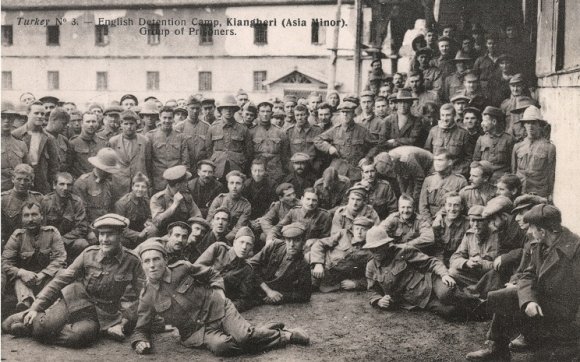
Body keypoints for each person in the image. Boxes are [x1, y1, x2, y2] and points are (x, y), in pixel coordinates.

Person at [131, 239, 309, 357]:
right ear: (142, 265)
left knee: (244, 338)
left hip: (219, 308)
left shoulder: (183, 268)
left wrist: (219, 292)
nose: (152, 265)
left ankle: (286, 336)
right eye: (147, 261)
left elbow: (212, 274)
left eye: (156, 259)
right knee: (223, 347)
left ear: (165, 259)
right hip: (197, 331)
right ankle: (260, 331)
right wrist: (140, 341)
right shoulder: (147, 296)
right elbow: (141, 327)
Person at [2, 214, 144, 346]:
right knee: (40, 326)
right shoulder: (89, 254)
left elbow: (144, 296)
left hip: (102, 314)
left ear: (121, 234)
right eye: (102, 234)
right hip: (75, 299)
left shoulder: (132, 261)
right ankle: (32, 321)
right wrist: (35, 307)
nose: (104, 239)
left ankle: (32, 329)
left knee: (77, 337)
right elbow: (61, 280)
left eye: (110, 234)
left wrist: (124, 322)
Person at [466, 205, 579, 361]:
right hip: (542, 304)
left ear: (542, 231)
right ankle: (497, 350)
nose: (528, 232)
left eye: (531, 228)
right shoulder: (539, 243)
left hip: (566, 315)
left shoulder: (575, 251)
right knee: (504, 296)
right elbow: (528, 274)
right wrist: (528, 300)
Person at [364, 226, 468, 320]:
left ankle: (478, 302)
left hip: (430, 283)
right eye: (372, 249)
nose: (376, 252)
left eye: (379, 247)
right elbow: (371, 290)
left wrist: (444, 274)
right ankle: (476, 313)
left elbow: (431, 262)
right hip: (417, 299)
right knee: (450, 312)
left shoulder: (402, 251)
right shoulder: (371, 266)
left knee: (446, 293)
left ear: (386, 245)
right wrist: (378, 300)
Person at [2, 202, 66, 310]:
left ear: (41, 216)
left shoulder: (52, 232)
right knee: (17, 279)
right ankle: (25, 306)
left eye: (34, 214)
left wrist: (43, 274)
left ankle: (48, 305)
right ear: (22, 218)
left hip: (47, 278)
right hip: (25, 281)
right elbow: (5, 262)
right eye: (26, 215)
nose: (30, 219)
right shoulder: (17, 236)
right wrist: (21, 272)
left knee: (61, 272)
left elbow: (60, 259)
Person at [195, 227, 258, 312]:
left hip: (214, 304)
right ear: (234, 242)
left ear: (252, 248)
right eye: (241, 242)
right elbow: (196, 268)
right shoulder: (219, 248)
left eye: (248, 244)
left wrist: (224, 307)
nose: (244, 247)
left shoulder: (247, 269)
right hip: (196, 292)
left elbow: (244, 300)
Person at [315, 101, 377, 183]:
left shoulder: (362, 130)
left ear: (353, 114)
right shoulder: (335, 130)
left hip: (356, 170)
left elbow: (376, 145)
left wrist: (367, 158)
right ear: (340, 114)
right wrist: (329, 148)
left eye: (348, 112)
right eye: (342, 112)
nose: (345, 115)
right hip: (338, 170)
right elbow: (317, 139)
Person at [251, 223, 312, 305]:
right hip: (253, 283)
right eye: (288, 240)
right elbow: (251, 265)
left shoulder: (303, 265)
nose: (292, 244)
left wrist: (279, 296)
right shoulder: (275, 245)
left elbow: (305, 295)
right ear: (284, 240)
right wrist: (268, 291)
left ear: (303, 242)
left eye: (297, 240)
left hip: (264, 293)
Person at [310, 216, 374, 292]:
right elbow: (320, 243)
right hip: (318, 266)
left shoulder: (370, 251)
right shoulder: (343, 234)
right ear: (352, 230)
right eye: (357, 229)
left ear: (370, 231)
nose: (359, 232)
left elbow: (373, 276)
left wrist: (355, 284)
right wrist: (318, 263)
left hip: (333, 280)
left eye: (364, 230)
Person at [41, 172, 91, 263]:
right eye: (61, 184)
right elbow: (41, 226)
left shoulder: (76, 202)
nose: (65, 188)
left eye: (69, 185)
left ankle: (73, 264)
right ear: (54, 185)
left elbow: (81, 228)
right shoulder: (45, 202)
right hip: (49, 243)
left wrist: (62, 240)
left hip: (67, 242)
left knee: (82, 244)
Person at [11, 101, 59, 194]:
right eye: (36, 113)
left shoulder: (49, 138)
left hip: (42, 185)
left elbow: (54, 166)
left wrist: (51, 186)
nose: (40, 116)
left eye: (42, 114)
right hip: (21, 184)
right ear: (28, 114)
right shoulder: (16, 135)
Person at [449, 205, 499, 289]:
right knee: (452, 271)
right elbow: (454, 258)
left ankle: (476, 290)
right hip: (474, 276)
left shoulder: (496, 235)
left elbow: (501, 264)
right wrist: (466, 263)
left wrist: (482, 263)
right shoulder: (469, 235)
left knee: (496, 275)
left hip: (490, 275)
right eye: (473, 220)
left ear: (488, 221)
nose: (475, 225)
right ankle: (479, 288)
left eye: (480, 221)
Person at [511, 105, 556, 198]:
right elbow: (514, 171)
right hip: (520, 191)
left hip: (539, 193)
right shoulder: (517, 146)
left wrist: (550, 194)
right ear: (524, 125)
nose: (530, 126)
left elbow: (551, 175)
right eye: (527, 123)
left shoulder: (549, 148)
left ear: (540, 125)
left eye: (533, 123)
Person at [205, 95, 253, 180]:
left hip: (237, 168)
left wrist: (242, 163)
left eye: (231, 108)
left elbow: (248, 152)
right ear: (220, 110)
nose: (228, 110)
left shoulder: (243, 129)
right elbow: (208, 149)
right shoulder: (213, 128)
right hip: (217, 169)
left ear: (235, 110)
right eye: (225, 108)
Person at [109, 110, 153, 198]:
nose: (129, 127)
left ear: (136, 124)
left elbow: (149, 165)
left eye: (131, 123)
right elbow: (110, 165)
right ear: (121, 124)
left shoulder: (145, 141)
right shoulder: (113, 141)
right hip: (119, 186)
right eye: (126, 123)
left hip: (139, 185)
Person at [147, 106, 190, 193]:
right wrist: (150, 183)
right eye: (164, 118)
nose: (167, 121)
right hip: (158, 181)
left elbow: (185, 161)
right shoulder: (150, 136)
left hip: (176, 182)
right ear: (159, 117)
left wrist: (183, 181)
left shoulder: (181, 137)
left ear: (173, 118)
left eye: (170, 118)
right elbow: (148, 162)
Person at [73, 147, 121, 223]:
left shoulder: (109, 183)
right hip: (89, 227)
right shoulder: (82, 183)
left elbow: (112, 208)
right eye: (107, 171)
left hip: (106, 225)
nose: (109, 173)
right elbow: (80, 213)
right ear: (99, 167)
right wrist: (89, 232)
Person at [150, 165, 202, 234]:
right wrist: (174, 206)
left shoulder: (186, 196)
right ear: (178, 185)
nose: (187, 184)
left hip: (183, 232)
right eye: (185, 182)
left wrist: (195, 226)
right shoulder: (158, 198)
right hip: (164, 233)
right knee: (152, 230)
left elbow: (197, 215)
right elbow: (156, 222)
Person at [1, 164, 45, 244]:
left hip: (34, 243)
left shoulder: (39, 198)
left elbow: (44, 226)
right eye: (19, 179)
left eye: (26, 180)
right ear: (13, 179)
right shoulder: (3, 199)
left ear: (32, 181)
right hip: (10, 244)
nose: (22, 183)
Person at [419, 151, 468, 223]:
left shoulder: (460, 181)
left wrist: (440, 216)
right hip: (429, 221)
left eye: (440, 160)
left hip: (451, 220)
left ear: (449, 162)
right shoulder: (428, 180)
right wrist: (430, 223)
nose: (436, 163)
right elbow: (422, 206)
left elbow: (461, 206)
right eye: (435, 160)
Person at [424, 103, 472, 175]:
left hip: (455, 174)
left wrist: (458, 172)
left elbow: (469, 158)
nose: (445, 119)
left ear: (454, 116)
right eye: (442, 115)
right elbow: (427, 154)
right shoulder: (433, 131)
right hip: (435, 174)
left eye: (448, 115)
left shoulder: (463, 133)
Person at [250, 101, 290, 183]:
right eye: (262, 111)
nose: (265, 114)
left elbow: (285, 155)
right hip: (258, 171)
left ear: (272, 113)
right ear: (258, 113)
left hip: (276, 172)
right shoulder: (251, 132)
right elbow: (249, 154)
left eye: (268, 111)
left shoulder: (280, 132)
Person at [114, 172, 157, 248]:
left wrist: (149, 221)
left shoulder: (147, 201)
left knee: (153, 230)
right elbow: (120, 228)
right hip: (128, 235)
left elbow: (151, 216)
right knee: (121, 240)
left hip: (142, 230)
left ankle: (149, 251)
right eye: (137, 186)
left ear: (147, 189)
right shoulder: (122, 204)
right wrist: (138, 235)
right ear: (132, 187)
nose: (140, 189)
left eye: (143, 187)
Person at [206, 170, 251, 243]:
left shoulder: (246, 205)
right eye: (231, 183)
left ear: (242, 186)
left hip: (231, 238)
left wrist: (224, 239)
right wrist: (214, 236)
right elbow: (209, 219)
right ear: (228, 185)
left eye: (238, 183)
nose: (234, 186)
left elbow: (238, 228)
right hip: (214, 234)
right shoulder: (220, 199)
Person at [473, 106, 514, 183]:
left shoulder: (509, 140)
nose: (482, 124)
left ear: (494, 122)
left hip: (503, 181)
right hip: (484, 180)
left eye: (484, 121)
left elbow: (513, 165)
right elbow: (476, 162)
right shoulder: (481, 139)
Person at [432, 192, 471, 266]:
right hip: (441, 261)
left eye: (456, 205)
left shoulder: (468, 224)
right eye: (449, 205)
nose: (452, 209)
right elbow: (438, 250)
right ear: (445, 207)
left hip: (461, 262)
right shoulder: (438, 224)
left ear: (462, 207)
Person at [174, 96, 210, 171]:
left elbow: (209, 150)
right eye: (192, 108)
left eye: (197, 108)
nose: (195, 111)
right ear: (187, 108)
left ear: (200, 109)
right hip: (186, 167)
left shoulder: (207, 127)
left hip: (202, 167)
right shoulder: (179, 127)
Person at [69, 112, 109, 179]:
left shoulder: (104, 143)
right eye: (88, 122)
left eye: (93, 121)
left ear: (98, 123)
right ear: (82, 123)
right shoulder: (73, 143)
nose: (91, 124)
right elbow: (68, 167)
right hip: (81, 182)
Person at [286, 104, 323, 173]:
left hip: (313, 169)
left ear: (308, 115)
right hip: (295, 169)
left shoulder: (317, 130)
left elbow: (321, 153)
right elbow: (286, 153)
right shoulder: (289, 132)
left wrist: (317, 165)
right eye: (297, 115)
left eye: (302, 115)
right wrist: (290, 167)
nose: (299, 118)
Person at [1, 104, 29, 191]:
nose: (6, 121)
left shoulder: (20, 144)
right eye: (2, 117)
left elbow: (27, 169)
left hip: (16, 192)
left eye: (10, 117)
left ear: (13, 120)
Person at [44, 108, 71, 172]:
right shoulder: (42, 137)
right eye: (63, 123)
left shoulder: (64, 139)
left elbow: (68, 162)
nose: (65, 127)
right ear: (53, 120)